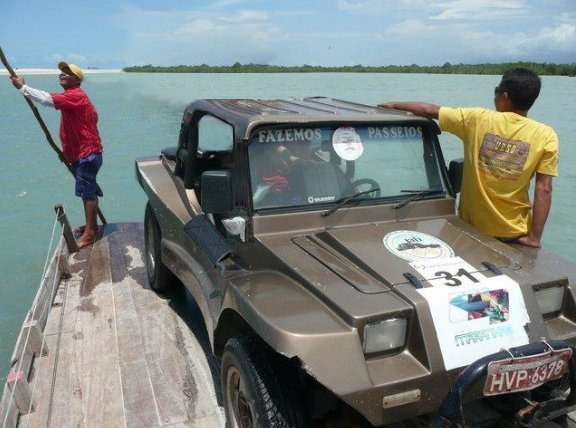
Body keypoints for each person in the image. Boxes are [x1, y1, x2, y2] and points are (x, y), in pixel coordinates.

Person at [380, 68, 558, 248]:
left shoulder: (477, 119)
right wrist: (534, 238)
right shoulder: (546, 135)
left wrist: (393, 105)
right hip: (514, 233)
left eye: (496, 91)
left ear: (504, 96)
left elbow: (429, 110)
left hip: (472, 229)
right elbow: (544, 189)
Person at [10, 62, 104, 248]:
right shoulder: (74, 97)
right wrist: (68, 153)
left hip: (87, 154)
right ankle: (91, 226)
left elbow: (47, 100)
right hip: (84, 154)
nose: (62, 74)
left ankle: (91, 233)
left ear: (77, 79)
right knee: (89, 190)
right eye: (62, 71)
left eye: (68, 72)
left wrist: (23, 87)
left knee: (87, 192)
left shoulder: (76, 95)